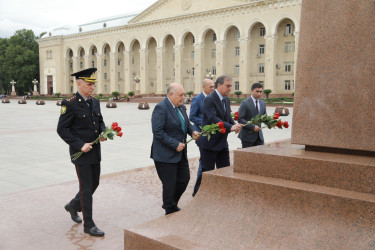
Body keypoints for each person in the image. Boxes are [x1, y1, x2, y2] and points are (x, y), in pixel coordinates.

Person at [57, 68, 106, 237]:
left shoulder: (95, 102)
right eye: (89, 84)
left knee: (95, 184)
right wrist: (79, 145)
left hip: (95, 152)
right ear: (79, 84)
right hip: (81, 154)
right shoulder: (69, 103)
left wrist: (103, 132)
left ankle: (72, 205)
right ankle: (89, 225)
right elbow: (62, 129)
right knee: (86, 188)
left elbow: (100, 121)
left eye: (93, 84)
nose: (92, 87)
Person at [151, 83, 200, 215]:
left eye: (184, 95)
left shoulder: (182, 107)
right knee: (170, 184)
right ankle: (170, 209)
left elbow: (187, 123)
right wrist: (174, 144)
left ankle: (170, 202)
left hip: (181, 152)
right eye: (181, 95)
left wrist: (193, 131)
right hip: (165, 154)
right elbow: (158, 131)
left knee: (184, 179)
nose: (183, 97)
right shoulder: (161, 108)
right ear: (171, 94)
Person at [194, 75, 243, 195]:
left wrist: (235, 125)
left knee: (225, 169)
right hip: (209, 144)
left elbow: (227, 117)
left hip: (222, 142)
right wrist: (230, 127)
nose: (230, 88)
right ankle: (198, 194)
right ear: (219, 85)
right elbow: (213, 118)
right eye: (228, 86)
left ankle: (223, 194)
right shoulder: (210, 99)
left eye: (231, 86)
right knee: (207, 173)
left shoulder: (226, 99)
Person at [189, 78, 215, 197]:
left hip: (213, 135)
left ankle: (207, 186)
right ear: (204, 87)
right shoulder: (197, 99)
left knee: (207, 160)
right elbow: (192, 117)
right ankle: (198, 190)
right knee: (204, 160)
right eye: (210, 87)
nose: (213, 89)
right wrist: (207, 123)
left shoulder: (214, 98)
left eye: (213, 86)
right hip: (201, 134)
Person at [238, 82, 267, 148]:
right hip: (247, 137)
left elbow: (264, 118)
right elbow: (240, 119)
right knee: (248, 157)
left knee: (259, 157)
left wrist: (271, 123)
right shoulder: (245, 103)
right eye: (257, 91)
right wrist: (252, 127)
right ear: (251, 91)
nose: (259, 94)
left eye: (260, 91)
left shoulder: (263, 103)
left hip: (259, 137)